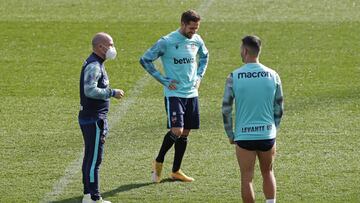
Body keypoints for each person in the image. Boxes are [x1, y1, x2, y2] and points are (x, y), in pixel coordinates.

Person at [139, 10, 209, 183]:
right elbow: (145, 59)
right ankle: (159, 160)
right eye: (191, 28)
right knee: (176, 130)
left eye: (196, 28)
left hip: (192, 93)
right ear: (183, 24)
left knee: (185, 132)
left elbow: (205, 56)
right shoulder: (167, 42)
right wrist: (162, 79)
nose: (194, 31)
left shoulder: (197, 40)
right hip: (174, 93)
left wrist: (199, 76)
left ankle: (176, 171)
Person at [222, 35, 284, 203]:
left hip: (244, 136)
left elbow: (226, 108)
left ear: (245, 50)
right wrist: (274, 128)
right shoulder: (273, 75)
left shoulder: (233, 77)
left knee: (247, 178)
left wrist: (230, 133)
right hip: (267, 135)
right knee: (268, 172)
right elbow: (279, 107)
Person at [79, 32, 124, 203]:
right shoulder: (94, 66)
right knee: (94, 160)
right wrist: (112, 92)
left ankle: (87, 195)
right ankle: (93, 197)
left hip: (91, 117)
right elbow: (89, 90)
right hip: (94, 119)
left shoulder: (97, 63)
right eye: (110, 44)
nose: (112, 48)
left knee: (90, 158)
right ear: (100, 47)